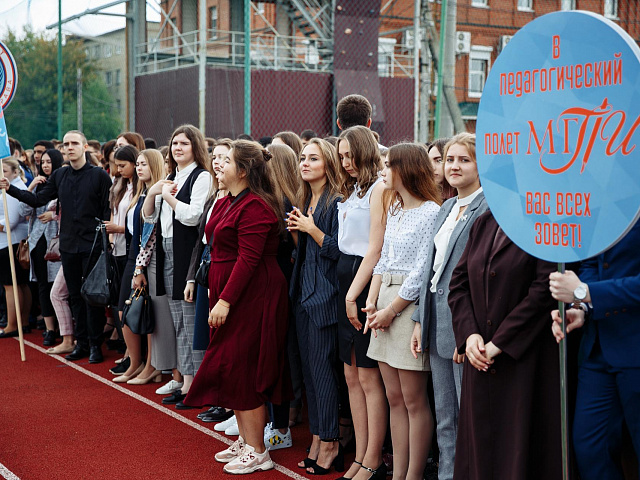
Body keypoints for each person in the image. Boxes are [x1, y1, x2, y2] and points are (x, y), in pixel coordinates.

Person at [185, 140, 290, 475]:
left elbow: (248, 259)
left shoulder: (256, 206)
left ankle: (259, 451)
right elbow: (213, 236)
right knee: (233, 367)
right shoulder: (230, 200)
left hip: (253, 296)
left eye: (227, 161)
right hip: (232, 291)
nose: (218, 165)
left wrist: (225, 301)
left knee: (245, 369)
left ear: (243, 171)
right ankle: (247, 440)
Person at [448, 210, 561, 480]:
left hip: (526, 362)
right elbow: (459, 283)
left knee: (520, 452)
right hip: (479, 358)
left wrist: (499, 342)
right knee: (480, 455)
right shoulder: (484, 221)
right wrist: (469, 335)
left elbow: (544, 290)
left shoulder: (549, 223)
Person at [410, 132, 488, 480]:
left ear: (481, 165)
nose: (453, 166)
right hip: (436, 325)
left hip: (464, 330)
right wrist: (419, 319)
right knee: (445, 417)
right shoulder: (446, 207)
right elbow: (432, 268)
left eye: (464, 160)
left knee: (469, 416)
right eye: (449, 159)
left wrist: (468, 330)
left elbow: (480, 277)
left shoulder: (487, 209)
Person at [364, 143, 441, 480]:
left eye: (388, 165)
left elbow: (422, 270)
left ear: (405, 169)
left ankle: (414, 475)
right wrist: (372, 300)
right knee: (394, 397)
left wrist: (392, 310)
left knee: (413, 400)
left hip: (408, 306)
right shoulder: (394, 208)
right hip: (384, 301)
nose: (383, 171)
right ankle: (398, 474)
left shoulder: (431, 212)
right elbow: (383, 258)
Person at [0, 130, 112, 362]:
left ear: (84, 147)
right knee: (75, 296)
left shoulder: (99, 175)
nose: (69, 147)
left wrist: (105, 243)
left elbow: (106, 210)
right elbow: (38, 200)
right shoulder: (60, 175)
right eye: (66, 144)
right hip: (68, 247)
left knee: (92, 298)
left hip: (92, 246)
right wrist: (10, 188)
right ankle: (81, 343)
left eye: (74, 143)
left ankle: (95, 345)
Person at [549, 221, 640, 480]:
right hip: (597, 347)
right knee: (590, 450)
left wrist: (585, 292)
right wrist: (581, 308)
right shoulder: (604, 201)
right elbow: (592, 262)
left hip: (635, 344)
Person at [143, 124, 213, 408]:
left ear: (196, 146)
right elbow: (149, 218)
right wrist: (153, 193)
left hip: (187, 252)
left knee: (190, 320)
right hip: (166, 249)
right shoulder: (171, 176)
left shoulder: (202, 176)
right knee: (177, 322)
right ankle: (186, 381)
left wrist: (168, 196)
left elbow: (192, 216)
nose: (178, 148)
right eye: (174, 143)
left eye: (184, 143)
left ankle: (197, 385)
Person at [286, 138, 344, 473]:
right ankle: (319, 437)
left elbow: (339, 250)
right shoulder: (306, 198)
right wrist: (299, 231)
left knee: (323, 373)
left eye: (313, 158)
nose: (305, 163)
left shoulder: (336, 201)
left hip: (325, 297)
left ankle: (331, 442)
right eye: (302, 158)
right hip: (302, 293)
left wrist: (311, 229)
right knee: (310, 373)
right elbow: (305, 252)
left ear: (328, 164)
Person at [336, 125, 387, 480]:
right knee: (350, 375)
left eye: (350, 155)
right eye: (341, 156)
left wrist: (354, 295)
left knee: (368, 377)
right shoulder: (353, 188)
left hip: (363, 280)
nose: (345, 162)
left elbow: (375, 248)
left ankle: (373, 459)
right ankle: (359, 456)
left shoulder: (380, 188)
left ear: (365, 152)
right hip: (346, 275)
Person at [184, 138, 232, 424]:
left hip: (223, 268)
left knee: (223, 337)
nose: (218, 163)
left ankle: (227, 402)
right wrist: (192, 277)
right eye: (215, 157)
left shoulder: (235, 198)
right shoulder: (214, 195)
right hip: (206, 266)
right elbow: (200, 240)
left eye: (225, 158)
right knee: (210, 337)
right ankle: (218, 398)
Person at [114, 148, 167, 384]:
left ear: (154, 165)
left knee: (145, 311)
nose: (139, 168)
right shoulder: (140, 193)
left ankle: (151, 366)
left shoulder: (157, 192)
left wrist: (140, 268)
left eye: (144, 164)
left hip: (146, 260)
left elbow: (150, 235)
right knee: (126, 310)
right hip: (132, 256)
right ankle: (137, 363)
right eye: (137, 164)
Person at [20, 149, 64, 346]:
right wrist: (31, 186)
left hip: (59, 239)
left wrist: (53, 216)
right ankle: (50, 329)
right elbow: (24, 210)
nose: (45, 165)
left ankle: (64, 327)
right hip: (39, 240)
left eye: (49, 162)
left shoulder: (63, 181)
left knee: (59, 285)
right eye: (42, 162)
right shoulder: (39, 185)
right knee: (43, 284)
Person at [0, 159, 31, 338]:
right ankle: (22, 322)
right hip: (12, 241)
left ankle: (13, 325)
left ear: (15, 172)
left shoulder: (12, 190)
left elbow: (10, 222)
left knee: (11, 285)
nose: (1, 174)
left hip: (10, 243)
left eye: (4, 170)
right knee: (19, 284)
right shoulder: (14, 187)